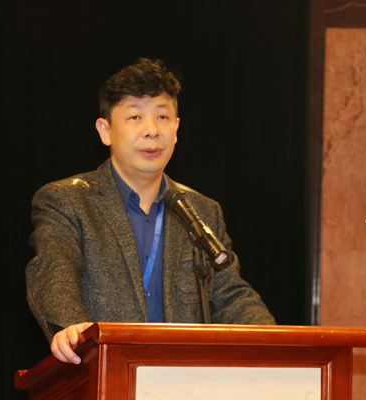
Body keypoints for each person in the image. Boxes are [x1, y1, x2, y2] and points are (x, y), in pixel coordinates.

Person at [26, 58, 275, 365]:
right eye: (135, 117)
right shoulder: (68, 201)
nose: (152, 130)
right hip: (104, 370)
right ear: (105, 130)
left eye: (162, 116)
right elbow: (54, 273)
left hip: (184, 376)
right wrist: (73, 329)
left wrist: (276, 343)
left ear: (176, 128)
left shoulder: (201, 211)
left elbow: (231, 296)